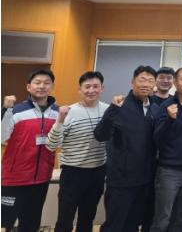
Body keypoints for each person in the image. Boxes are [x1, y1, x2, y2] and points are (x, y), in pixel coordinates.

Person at [94, 65, 161, 232]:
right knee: (115, 225)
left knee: (133, 224)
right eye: (142, 80)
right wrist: (112, 110)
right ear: (132, 82)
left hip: (145, 179)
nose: (146, 84)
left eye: (150, 81)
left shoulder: (154, 108)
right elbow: (101, 135)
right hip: (121, 180)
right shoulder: (120, 105)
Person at [46, 71, 109, 232]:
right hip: (73, 172)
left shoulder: (109, 111)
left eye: (95, 86)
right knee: (65, 218)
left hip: (98, 171)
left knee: (88, 217)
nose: (91, 90)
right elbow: (51, 145)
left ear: (102, 88)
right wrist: (60, 120)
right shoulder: (69, 111)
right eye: (87, 87)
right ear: (79, 90)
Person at [1, 69, 60, 232]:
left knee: (31, 224)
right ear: (28, 87)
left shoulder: (57, 113)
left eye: (46, 83)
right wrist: (5, 110)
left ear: (52, 87)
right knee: (4, 223)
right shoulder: (16, 111)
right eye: (37, 82)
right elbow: (1, 136)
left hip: (41, 180)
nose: (42, 86)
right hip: (14, 179)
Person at [150, 67, 182, 232]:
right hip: (169, 171)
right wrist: (170, 120)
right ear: (175, 83)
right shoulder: (166, 106)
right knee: (162, 219)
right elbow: (157, 138)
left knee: (181, 218)